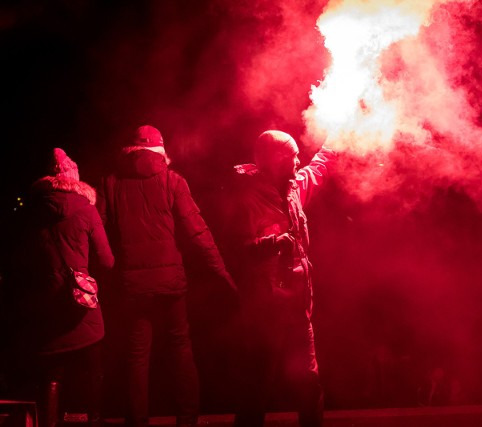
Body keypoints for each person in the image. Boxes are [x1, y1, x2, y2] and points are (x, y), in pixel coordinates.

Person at [97, 125, 236, 427]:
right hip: (171, 283)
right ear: (161, 151)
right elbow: (198, 233)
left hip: (132, 286)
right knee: (181, 349)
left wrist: (110, 275)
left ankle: (137, 422)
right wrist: (222, 273)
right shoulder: (173, 181)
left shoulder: (111, 184)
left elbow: (101, 236)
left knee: (136, 357)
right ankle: (187, 421)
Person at [229, 130, 336, 427]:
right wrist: (273, 243)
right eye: (292, 156)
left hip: (298, 305)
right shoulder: (246, 198)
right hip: (266, 310)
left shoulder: (293, 188)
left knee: (310, 382)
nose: (299, 160)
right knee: (258, 384)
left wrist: (338, 136)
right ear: (276, 160)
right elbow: (236, 250)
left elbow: (318, 167)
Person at [6, 148, 114, 427]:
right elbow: (107, 260)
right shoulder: (87, 209)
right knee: (94, 368)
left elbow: (16, 260)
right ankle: (96, 420)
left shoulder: (29, 211)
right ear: (73, 177)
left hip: (45, 303)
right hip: (81, 302)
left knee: (51, 374)